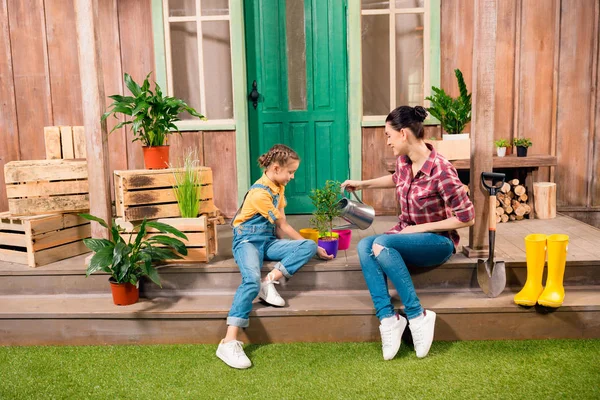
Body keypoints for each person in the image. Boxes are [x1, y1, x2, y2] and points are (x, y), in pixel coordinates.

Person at [341, 105, 475, 360]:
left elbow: (466, 218)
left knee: (380, 244)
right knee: (363, 246)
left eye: (389, 136)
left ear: (403, 134)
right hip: (406, 235)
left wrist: (419, 228)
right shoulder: (404, 162)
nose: (388, 142)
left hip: (437, 242)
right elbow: (395, 180)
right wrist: (363, 184)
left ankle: (417, 315)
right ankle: (389, 319)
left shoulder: (442, 170)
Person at [217, 144, 333, 369]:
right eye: (290, 172)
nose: (292, 176)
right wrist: (299, 242)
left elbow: (281, 227)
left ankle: (269, 281)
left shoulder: (278, 187)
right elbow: (282, 223)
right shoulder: (260, 193)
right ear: (277, 168)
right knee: (250, 281)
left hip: (267, 241)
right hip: (248, 241)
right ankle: (229, 340)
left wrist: (310, 247)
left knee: (307, 245)